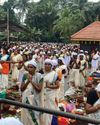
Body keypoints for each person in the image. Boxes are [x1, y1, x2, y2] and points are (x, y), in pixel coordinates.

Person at [21, 60, 43, 125]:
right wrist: (28, 81)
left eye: (31, 67)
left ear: (35, 68)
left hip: (35, 99)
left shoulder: (39, 76)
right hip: (25, 98)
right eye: (28, 67)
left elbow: (39, 89)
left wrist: (31, 81)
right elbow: (22, 89)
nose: (29, 69)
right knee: (26, 116)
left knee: (34, 116)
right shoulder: (25, 75)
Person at [43, 59, 60, 125]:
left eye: (48, 64)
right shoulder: (41, 73)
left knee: (51, 110)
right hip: (42, 95)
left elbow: (57, 86)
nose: (47, 65)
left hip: (51, 95)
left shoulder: (54, 74)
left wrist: (48, 86)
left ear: (51, 66)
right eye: (45, 64)